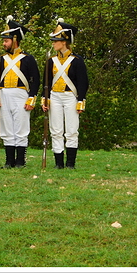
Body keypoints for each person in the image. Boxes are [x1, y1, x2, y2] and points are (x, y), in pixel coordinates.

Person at [0, 15, 40, 168]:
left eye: (6, 41)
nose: (4, 43)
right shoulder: (1, 59)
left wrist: (31, 98)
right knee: (6, 128)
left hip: (20, 95)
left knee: (21, 128)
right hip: (4, 95)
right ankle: (9, 161)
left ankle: (20, 161)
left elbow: (36, 80)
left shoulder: (28, 59)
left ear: (15, 40)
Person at [41, 18, 89, 169]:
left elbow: (83, 83)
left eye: (56, 40)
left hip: (70, 96)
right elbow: (46, 83)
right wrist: (45, 98)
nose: (54, 43)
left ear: (64, 41)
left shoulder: (77, 61)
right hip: (55, 96)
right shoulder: (51, 61)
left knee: (72, 130)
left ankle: (70, 163)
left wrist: (81, 100)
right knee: (56, 130)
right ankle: (58, 163)